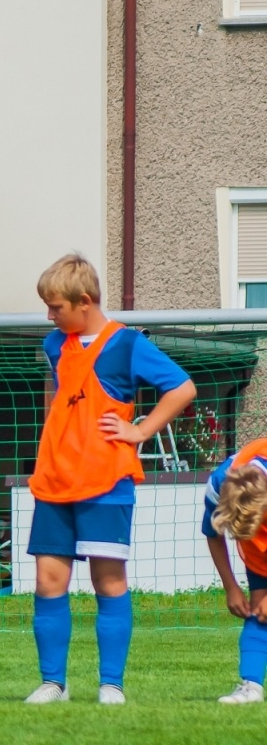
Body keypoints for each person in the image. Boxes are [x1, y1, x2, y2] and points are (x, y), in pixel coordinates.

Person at [25, 253, 195, 704]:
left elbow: (183, 388)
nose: (49, 316)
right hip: (55, 481)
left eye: (56, 307)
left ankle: (111, 685)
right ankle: (53, 683)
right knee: (48, 583)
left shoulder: (127, 344)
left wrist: (140, 430)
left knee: (109, 583)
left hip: (106, 483)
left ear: (84, 301)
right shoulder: (54, 345)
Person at [200, 440, 267, 704]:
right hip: (258, 555)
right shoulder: (218, 485)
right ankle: (251, 687)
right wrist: (231, 587)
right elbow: (213, 534)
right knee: (260, 612)